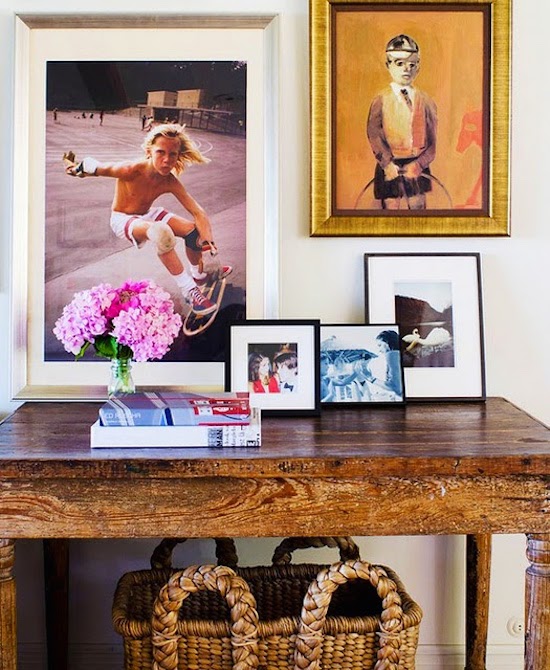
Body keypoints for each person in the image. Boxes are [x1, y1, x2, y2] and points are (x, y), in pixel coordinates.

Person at [64, 123, 231, 315]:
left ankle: (199, 275)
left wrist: (208, 242)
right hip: (123, 219)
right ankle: (190, 290)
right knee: (161, 233)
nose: (167, 160)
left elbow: (198, 212)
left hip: (148, 213)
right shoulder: (130, 170)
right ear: (149, 151)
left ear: (178, 155)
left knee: (193, 232)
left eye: (173, 154)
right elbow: (95, 167)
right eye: (161, 152)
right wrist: (75, 168)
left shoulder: (169, 181)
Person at [366, 34, 437, 210]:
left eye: (412, 65)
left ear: (418, 68)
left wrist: (420, 164)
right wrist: (387, 164)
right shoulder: (380, 100)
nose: (407, 69)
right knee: (391, 210)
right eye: (400, 63)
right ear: (388, 65)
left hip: (417, 167)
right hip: (390, 166)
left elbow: (432, 142)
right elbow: (374, 134)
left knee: (418, 208)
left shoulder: (426, 101)